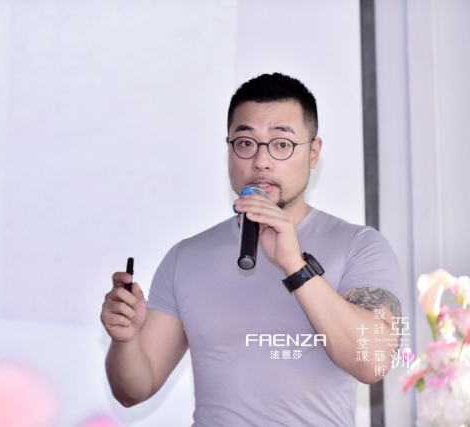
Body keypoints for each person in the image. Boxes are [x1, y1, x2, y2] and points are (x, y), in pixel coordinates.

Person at [100, 73, 403, 426]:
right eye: (245, 143)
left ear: (313, 153)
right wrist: (125, 340)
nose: (261, 161)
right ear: (229, 150)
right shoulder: (186, 257)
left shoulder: (359, 246)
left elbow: (373, 363)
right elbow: (133, 390)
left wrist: (295, 265)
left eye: (281, 144)